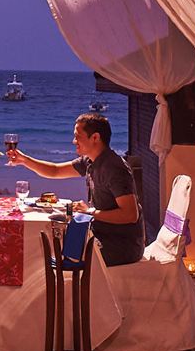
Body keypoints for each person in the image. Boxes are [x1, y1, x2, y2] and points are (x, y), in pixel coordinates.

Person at [8, 113, 144, 266]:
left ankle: (64, 280)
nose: (74, 141)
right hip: (102, 234)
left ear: (95, 137)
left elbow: (130, 214)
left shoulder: (114, 168)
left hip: (121, 246)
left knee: (49, 252)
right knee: (48, 247)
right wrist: (24, 160)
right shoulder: (90, 161)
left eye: (78, 136)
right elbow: (55, 171)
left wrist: (90, 212)